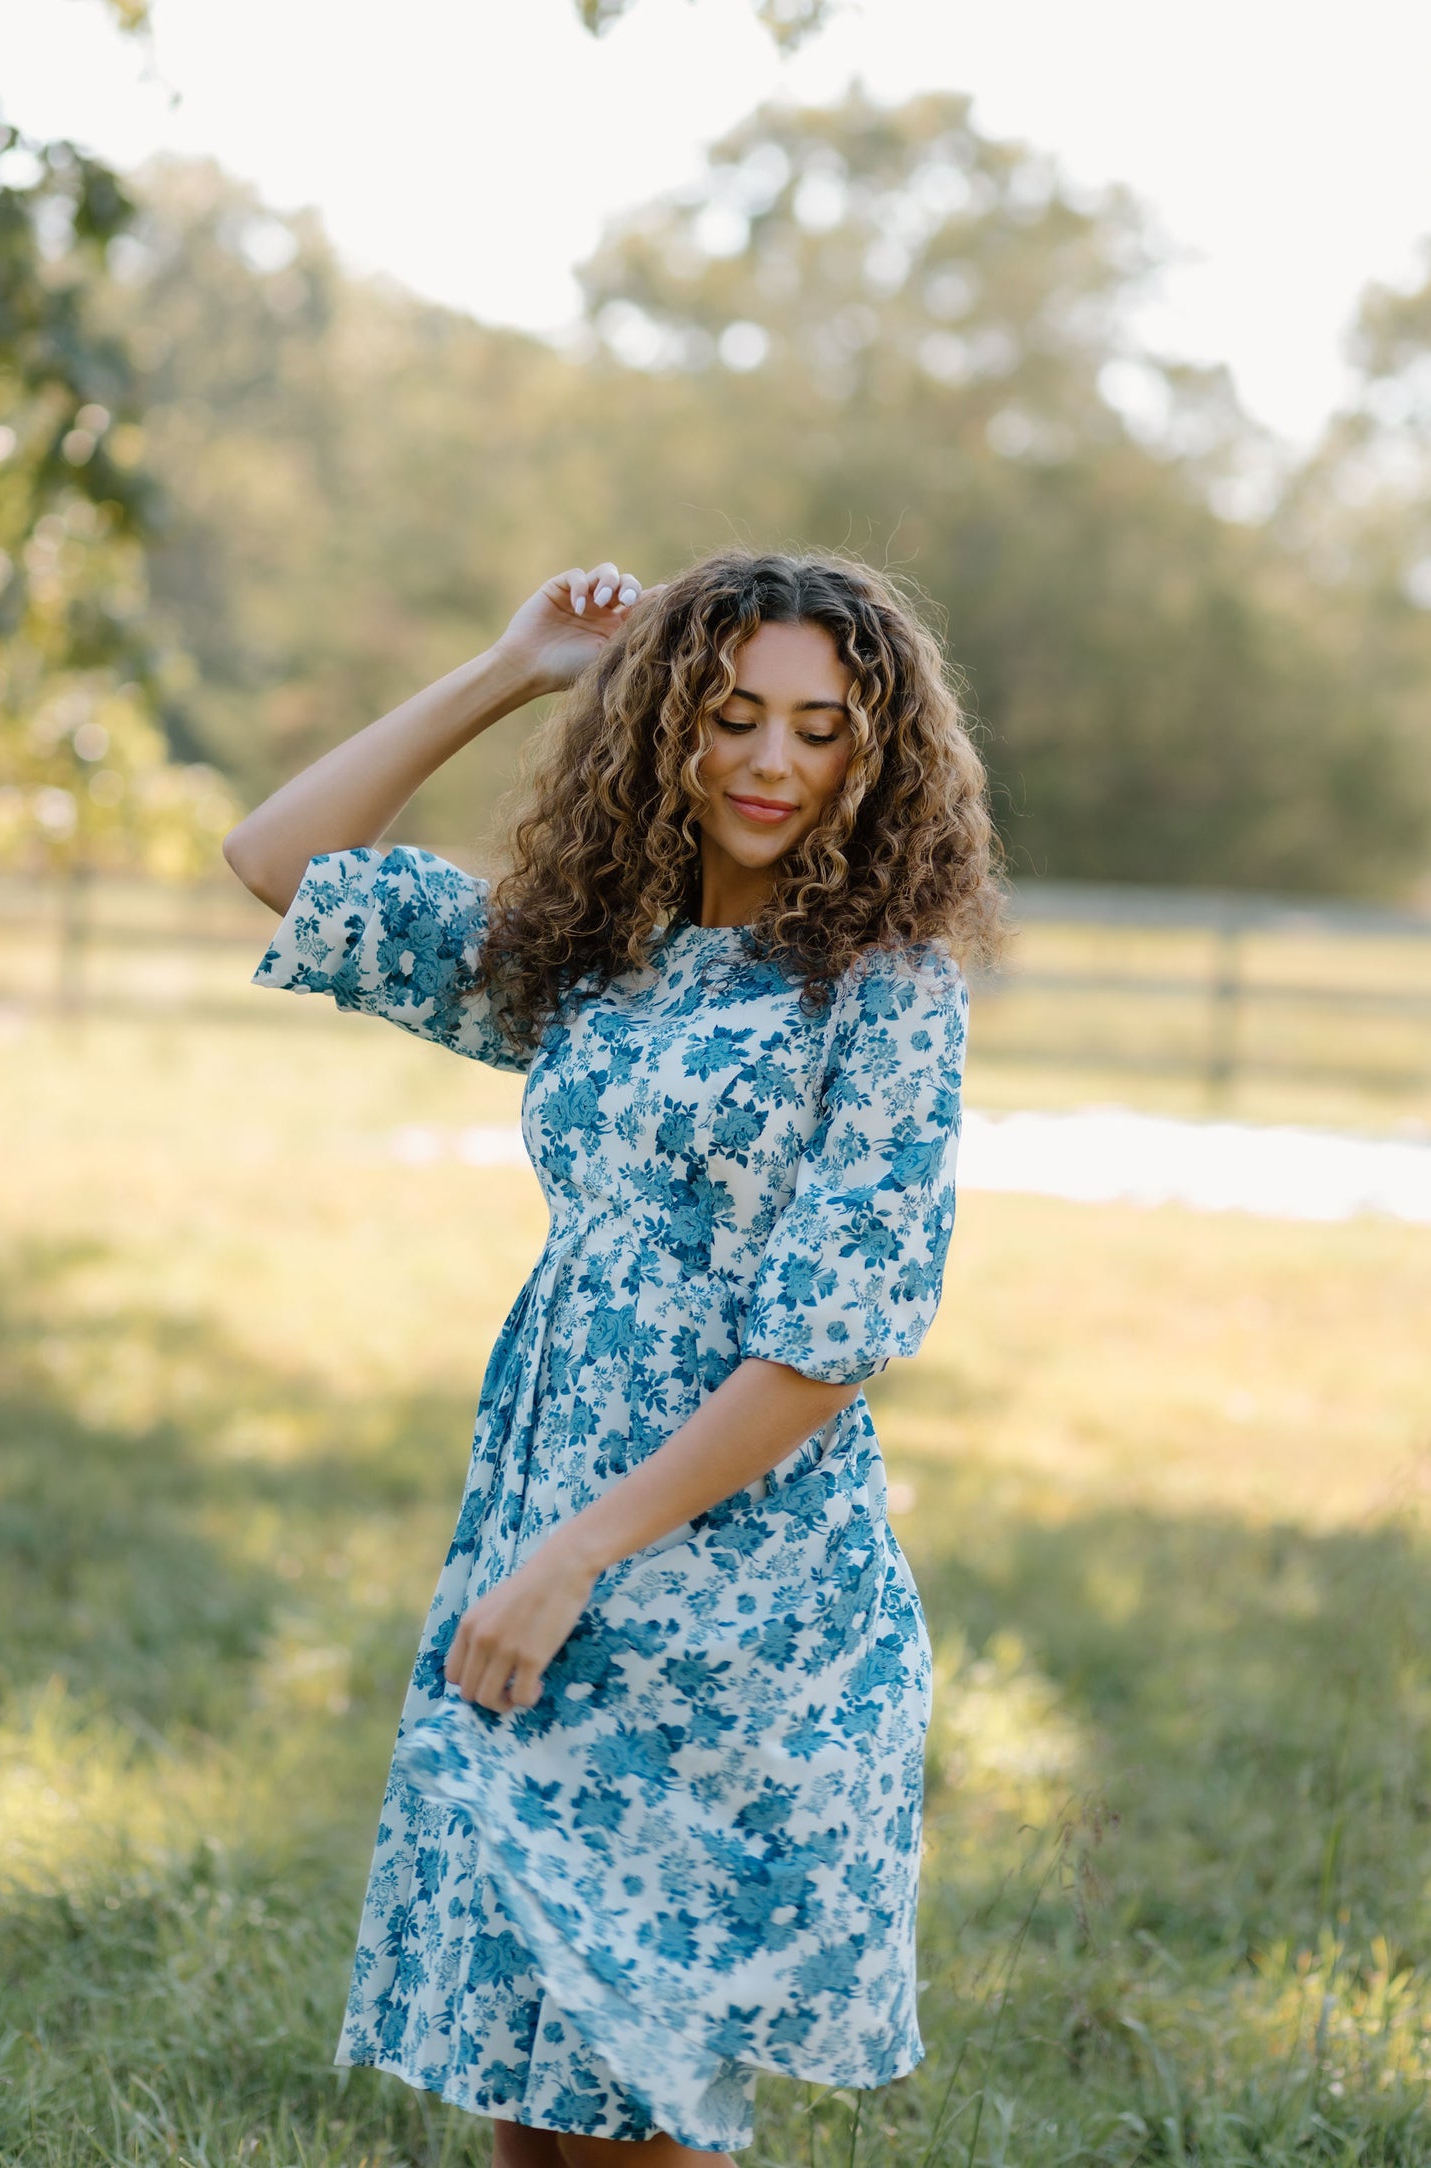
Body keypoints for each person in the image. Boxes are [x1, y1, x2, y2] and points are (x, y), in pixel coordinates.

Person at [223, 548, 1005, 2167]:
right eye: (729, 717)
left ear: (876, 752)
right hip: (544, 1544)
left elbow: (832, 1340)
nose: (772, 763)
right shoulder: (601, 959)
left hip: (728, 1594)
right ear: (663, 727)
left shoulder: (882, 993)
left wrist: (575, 1555)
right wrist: (511, 664)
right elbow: (277, 854)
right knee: (529, 2105)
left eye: (818, 727)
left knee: (641, 2119)